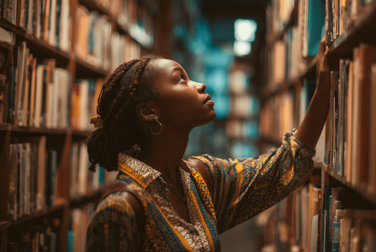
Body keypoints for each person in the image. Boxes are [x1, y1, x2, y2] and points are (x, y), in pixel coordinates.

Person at [85, 41, 330, 251]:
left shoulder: (200, 180)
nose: (199, 85)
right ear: (149, 111)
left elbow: (280, 169)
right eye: (180, 79)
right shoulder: (119, 209)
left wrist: (323, 90)